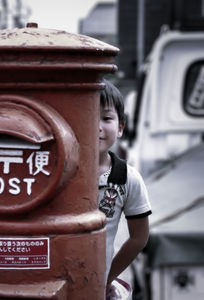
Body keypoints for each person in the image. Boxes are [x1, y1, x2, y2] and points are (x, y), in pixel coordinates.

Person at [98, 80, 152, 298]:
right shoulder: (55, 172)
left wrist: (109, 276)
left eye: (106, 118)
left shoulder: (128, 179)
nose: (97, 126)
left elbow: (139, 237)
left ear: (120, 127)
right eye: (88, 116)